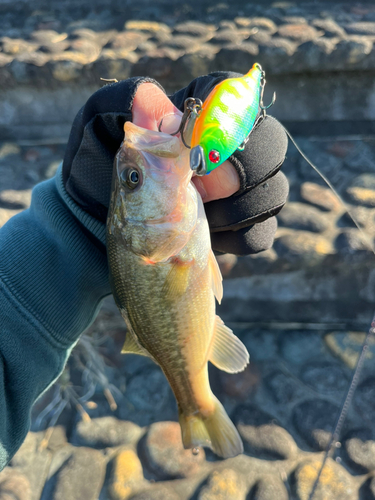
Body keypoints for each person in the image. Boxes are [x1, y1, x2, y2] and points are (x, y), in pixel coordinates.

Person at [0, 72, 289, 471]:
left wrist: (76, 215)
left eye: (130, 178)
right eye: (133, 179)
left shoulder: (148, 240)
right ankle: (197, 405)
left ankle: (196, 407)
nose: (132, 153)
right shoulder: (150, 245)